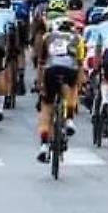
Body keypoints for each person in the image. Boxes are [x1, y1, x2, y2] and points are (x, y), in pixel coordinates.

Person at [36, 16, 86, 162]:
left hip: (51, 69)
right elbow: (80, 63)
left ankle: (44, 146)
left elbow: (41, 63)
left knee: (46, 107)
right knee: (72, 87)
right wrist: (80, 85)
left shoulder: (48, 37)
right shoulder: (77, 38)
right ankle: (69, 118)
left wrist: (39, 84)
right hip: (69, 68)